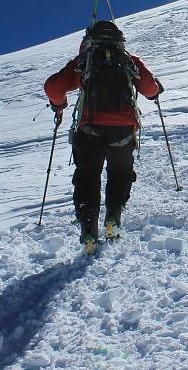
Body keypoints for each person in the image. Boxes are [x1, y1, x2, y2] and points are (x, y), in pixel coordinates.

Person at [44, 20, 162, 249]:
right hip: (123, 132)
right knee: (120, 174)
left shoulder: (84, 60)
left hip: (89, 131)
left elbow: (52, 87)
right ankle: (113, 216)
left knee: (87, 177)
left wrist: (60, 105)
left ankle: (89, 226)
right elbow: (150, 88)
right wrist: (156, 91)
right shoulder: (129, 59)